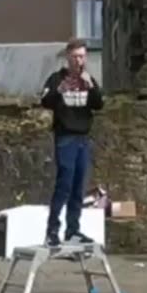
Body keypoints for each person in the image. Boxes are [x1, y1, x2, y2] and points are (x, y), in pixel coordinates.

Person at [40, 38, 104, 247]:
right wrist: (60, 89)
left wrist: (91, 86)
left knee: (78, 186)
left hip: (83, 139)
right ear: (68, 57)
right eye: (75, 56)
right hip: (65, 138)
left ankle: (73, 230)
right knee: (64, 184)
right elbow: (45, 102)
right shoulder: (56, 78)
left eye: (82, 56)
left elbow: (98, 104)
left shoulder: (88, 79)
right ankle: (52, 230)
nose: (79, 60)